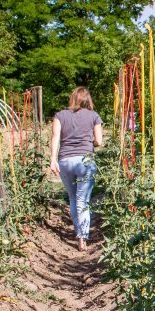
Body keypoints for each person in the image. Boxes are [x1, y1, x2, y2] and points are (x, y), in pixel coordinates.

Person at [50, 87, 103, 251]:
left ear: (72, 98)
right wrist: (89, 143)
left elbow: (55, 137)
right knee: (83, 201)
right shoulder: (94, 116)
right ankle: (82, 237)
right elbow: (99, 141)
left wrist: (52, 159)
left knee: (73, 198)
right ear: (88, 100)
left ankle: (78, 232)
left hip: (65, 161)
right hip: (85, 162)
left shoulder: (59, 115)